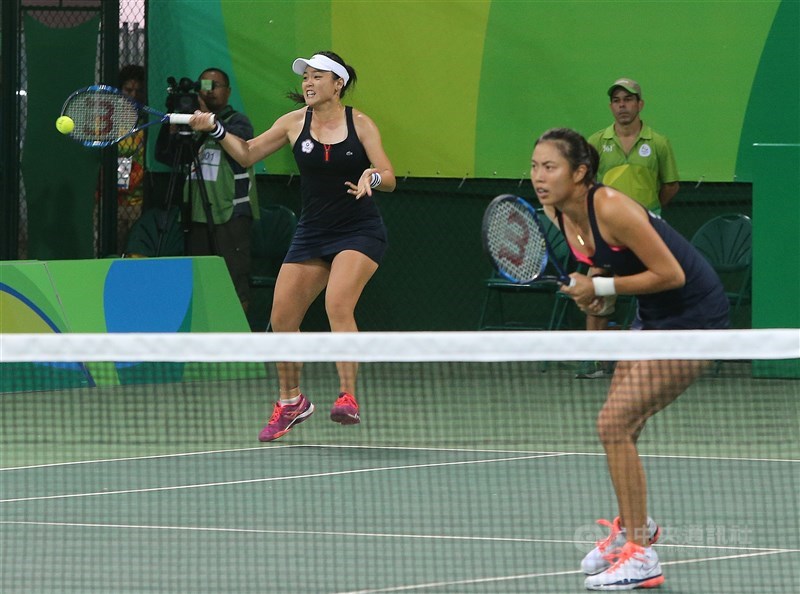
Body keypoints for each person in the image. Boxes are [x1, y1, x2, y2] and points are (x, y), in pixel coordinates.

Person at [530, 128, 728, 590]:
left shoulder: (613, 207)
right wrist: (596, 294)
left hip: (694, 318)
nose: (539, 177)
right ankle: (636, 527)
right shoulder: (555, 210)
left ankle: (644, 557)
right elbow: (607, 266)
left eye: (550, 167)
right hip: (652, 316)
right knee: (624, 426)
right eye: (535, 166)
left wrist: (598, 288)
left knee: (612, 424)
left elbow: (671, 273)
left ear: (580, 173)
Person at [188, 51, 396, 442]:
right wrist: (216, 129)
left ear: (339, 84)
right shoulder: (292, 123)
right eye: (306, 78)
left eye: (318, 77)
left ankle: (348, 396)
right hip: (313, 232)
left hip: (359, 229)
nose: (309, 83)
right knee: (282, 319)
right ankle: (291, 402)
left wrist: (371, 175)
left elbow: (389, 176)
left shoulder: (361, 124)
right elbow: (247, 153)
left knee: (338, 303)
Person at [579, 78, 681, 379]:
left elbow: (670, 186)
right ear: (611, 106)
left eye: (628, 99)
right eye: (617, 100)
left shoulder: (659, 143)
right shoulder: (596, 142)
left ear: (640, 104)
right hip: (606, 233)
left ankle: (654, 362)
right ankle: (596, 361)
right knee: (597, 290)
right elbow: (585, 184)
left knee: (657, 292)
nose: (622, 105)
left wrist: (643, 214)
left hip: (649, 232)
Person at [156, 67, 258, 312]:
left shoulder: (237, 121)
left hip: (230, 213)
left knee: (234, 280)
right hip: (195, 213)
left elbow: (243, 148)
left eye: (215, 86)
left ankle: (238, 340)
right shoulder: (189, 122)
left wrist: (209, 121)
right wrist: (173, 122)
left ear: (228, 91)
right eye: (204, 86)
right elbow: (165, 156)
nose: (208, 91)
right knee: (199, 279)